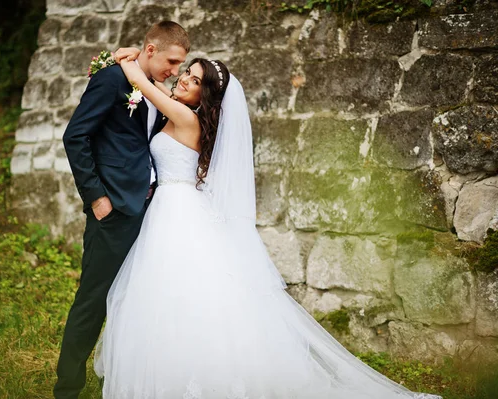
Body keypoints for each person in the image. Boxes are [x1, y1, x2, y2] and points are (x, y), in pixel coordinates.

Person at [92, 47, 443, 399]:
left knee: (175, 292)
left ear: (206, 95)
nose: (183, 78)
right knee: (168, 292)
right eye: (186, 71)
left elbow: (140, 80)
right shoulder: (178, 112)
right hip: (171, 208)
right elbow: (151, 88)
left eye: (195, 80)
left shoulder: (186, 119)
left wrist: (130, 59)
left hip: (176, 210)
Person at [54, 22, 190, 399]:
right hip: (113, 210)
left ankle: (117, 378)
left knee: (133, 298)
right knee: (94, 299)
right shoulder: (113, 80)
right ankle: (67, 388)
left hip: (149, 210)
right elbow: (75, 135)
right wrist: (96, 197)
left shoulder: (151, 88)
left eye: (181, 65)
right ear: (150, 49)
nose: (175, 71)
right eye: (172, 61)